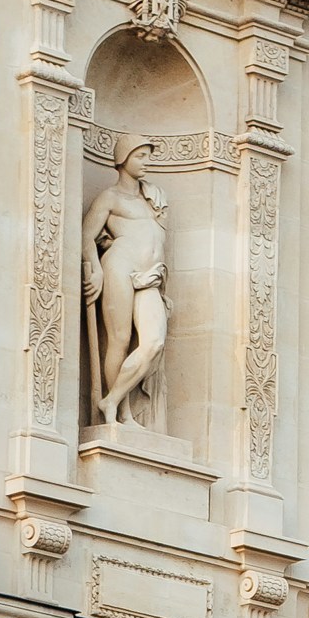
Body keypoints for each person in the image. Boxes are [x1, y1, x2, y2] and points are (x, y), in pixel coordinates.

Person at [82, 138, 169, 431]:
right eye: (140, 156)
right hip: (119, 266)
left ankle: (112, 399)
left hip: (150, 276)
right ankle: (123, 414)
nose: (146, 162)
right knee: (119, 339)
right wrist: (94, 269)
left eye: (148, 156)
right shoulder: (110, 197)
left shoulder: (153, 197)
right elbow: (86, 236)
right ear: (123, 159)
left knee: (153, 341)